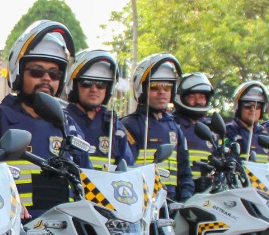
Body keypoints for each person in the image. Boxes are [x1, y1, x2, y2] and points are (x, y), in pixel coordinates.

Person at [0, 20, 88, 214]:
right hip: (14, 234)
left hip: (66, 234)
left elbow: (87, 180)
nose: (46, 78)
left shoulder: (68, 125)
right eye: (37, 71)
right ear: (18, 73)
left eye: (54, 74)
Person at [121, 53, 194, 201]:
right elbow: (124, 169)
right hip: (141, 201)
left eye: (167, 87)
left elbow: (185, 172)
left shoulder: (174, 127)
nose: (162, 92)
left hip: (170, 204)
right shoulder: (130, 125)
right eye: (154, 87)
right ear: (142, 89)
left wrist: (186, 198)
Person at [63, 48, 128, 171]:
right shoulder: (62, 120)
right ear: (74, 85)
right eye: (86, 83)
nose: (94, 89)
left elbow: (127, 167)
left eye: (101, 84)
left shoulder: (114, 126)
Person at [174, 71, 218, 185]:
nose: (198, 101)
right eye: (192, 97)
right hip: (178, 195)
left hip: (206, 195)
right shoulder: (172, 125)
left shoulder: (212, 128)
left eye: (202, 97)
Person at [225, 80, 269, 158]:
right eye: (247, 105)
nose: (252, 109)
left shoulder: (265, 135)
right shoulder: (229, 131)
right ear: (239, 107)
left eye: (257, 106)